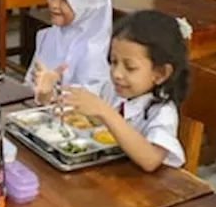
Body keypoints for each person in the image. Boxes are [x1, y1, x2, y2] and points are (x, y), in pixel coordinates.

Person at [61, 11, 189, 172]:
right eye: (113, 62)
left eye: (130, 67)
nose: (116, 73)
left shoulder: (163, 112)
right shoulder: (115, 90)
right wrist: (49, 91)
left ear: (160, 73)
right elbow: (88, 109)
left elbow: (151, 160)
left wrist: (105, 111)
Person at [26, 0, 113, 103]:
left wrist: (50, 92)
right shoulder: (49, 36)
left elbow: (86, 108)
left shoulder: (94, 53)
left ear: (86, 5)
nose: (54, 4)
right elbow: (29, 84)